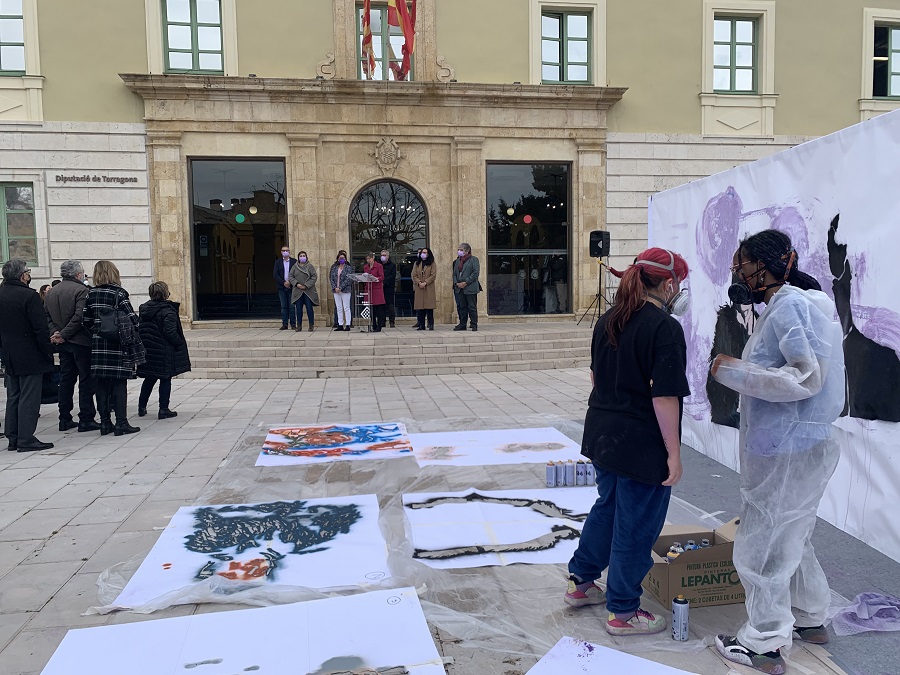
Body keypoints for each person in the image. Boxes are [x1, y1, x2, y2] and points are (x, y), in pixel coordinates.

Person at [710, 230, 845, 675]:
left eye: (744, 264)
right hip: (801, 443)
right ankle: (810, 618)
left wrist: (732, 371)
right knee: (793, 534)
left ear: (765, 266)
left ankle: (764, 641)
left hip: (786, 445)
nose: (739, 273)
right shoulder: (806, 306)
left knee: (762, 544)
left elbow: (804, 378)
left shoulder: (790, 306)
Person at [565, 248, 690, 637]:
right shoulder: (664, 329)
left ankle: (582, 581)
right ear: (668, 284)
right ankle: (623, 610)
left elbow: (595, 378)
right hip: (639, 441)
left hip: (603, 433)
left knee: (610, 508)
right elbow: (664, 397)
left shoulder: (608, 320)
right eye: (680, 285)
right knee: (636, 523)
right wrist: (673, 453)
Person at [81, 260, 145, 436]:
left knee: (101, 383)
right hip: (117, 343)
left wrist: (97, 331)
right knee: (119, 382)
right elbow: (132, 318)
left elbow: (85, 320)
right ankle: (121, 423)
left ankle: (105, 423)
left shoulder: (91, 294)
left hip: (98, 343)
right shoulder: (119, 293)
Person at [0, 260, 54, 452]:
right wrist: (48, 350)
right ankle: (26, 438)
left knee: (14, 395)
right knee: (29, 397)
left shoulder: (2, 293)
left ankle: (13, 436)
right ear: (22, 275)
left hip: (9, 352)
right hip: (30, 353)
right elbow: (40, 328)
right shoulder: (28, 296)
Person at [45, 259, 100, 432]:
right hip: (81, 342)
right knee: (85, 380)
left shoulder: (52, 292)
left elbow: (47, 317)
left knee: (66, 379)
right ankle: (86, 417)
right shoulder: (82, 290)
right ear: (78, 274)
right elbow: (79, 317)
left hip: (63, 343)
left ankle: (64, 418)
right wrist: (63, 334)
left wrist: (57, 333)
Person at [136, 281, 191, 420]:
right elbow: (170, 332)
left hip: (149, 349)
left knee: (149, 378)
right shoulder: (168, 310)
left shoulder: (144, 309)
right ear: (165, 293)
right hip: (164, 350)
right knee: (165, 379)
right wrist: (179, 343)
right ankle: (163, 408)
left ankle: (141, 406)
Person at [452, 242, 481, 331]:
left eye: (461, 250)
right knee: (462, 307)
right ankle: (462, 324)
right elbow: (454, 274)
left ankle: (474, 324)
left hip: (470, 287)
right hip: (459, 288)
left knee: (472, 306)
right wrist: (456, 283)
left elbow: (475, 273)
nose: (459, 251)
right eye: (458, 250)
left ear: (467, 251)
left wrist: (466, 282)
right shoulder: (457, 261)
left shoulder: (474, 260)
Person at [289, 250, 319, 332]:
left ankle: (311, 325)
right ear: (298, 258)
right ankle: (299, 325)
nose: (302, 257)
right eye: (301, 256)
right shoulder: (294, 267)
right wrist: (297, 284)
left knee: (309, 308)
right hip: (298, 290)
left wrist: (306, 285)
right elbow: (290, 276)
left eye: (304, 256)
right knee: (298, 309)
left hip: (308, 290)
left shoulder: (310, 266)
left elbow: (314, 277)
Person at [273, 245, 297, 330]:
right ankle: (285, 324)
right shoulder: (278, 262)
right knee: (283, 306)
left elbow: (296, 273)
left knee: (292, 306)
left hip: (292, 286)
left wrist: (290, 282)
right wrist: (284, 282)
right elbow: (275, 274)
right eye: (283, 250)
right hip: (281, 287)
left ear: (289, 252)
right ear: (281, 252)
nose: (285, 252)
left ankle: (293, 324)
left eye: (287, 250)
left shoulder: (294, 261)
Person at [412, 247, 436, 330]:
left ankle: (431, 324)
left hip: (428, 287)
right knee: (420, 307)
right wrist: (419, 282)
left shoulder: (432, 263)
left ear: (428, 254)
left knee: (429, 307)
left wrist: (425, 282)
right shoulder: (417, 263)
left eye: (425, 252)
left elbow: (433, 275)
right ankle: (421, 325)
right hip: (419, 287)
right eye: (422, 252)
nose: (423, 254)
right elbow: (414, 275)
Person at [329, 250, 353, 331]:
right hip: (336, 290)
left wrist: (340, 288)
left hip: (345, 290)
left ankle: (348, 324)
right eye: (340, 258)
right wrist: (335, 287)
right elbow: (331, 278)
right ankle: (340, 324)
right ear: (338, 259)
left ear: (345, 259)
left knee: (346, 307)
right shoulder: (334, 268)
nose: (341, 259)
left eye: (343, 258)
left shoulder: (348, 268)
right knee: (339, 307)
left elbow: (348, 279)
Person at [363, 253, 386, 332]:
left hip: (377, 289)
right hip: (369, 289)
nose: (368, 260)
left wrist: (376, 279)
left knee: (378, 309)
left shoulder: (379, 266)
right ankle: (373, 324)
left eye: (369, 258)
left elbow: (382, 276)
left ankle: (379, 325)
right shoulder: (366, 267)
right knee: (371, 309)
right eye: (367, 259)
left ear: (373, 258)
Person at [380, 249, 397, 328]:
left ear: (388, 256)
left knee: (390, 305)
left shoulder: (392, 265)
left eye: (384, 255)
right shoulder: (379, 265)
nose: (382, 257)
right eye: (381, 255)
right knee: (381, 305)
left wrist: (384, 281)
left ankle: (392, 321)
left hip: (389, 287)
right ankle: (382, 321)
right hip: (380, 288)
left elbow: (392, 276)